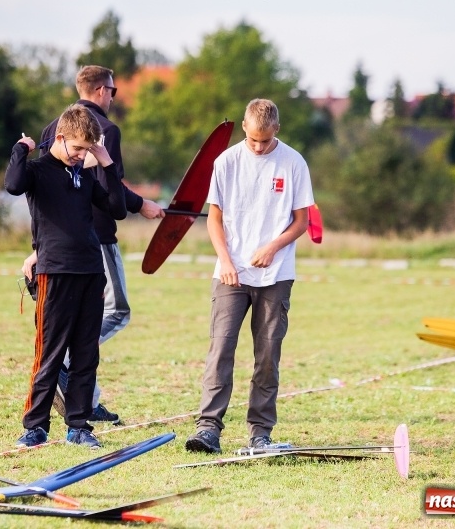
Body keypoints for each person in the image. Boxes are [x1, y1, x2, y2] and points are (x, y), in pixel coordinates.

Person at [22, 65, 163, 424]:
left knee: (88, 326)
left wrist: (38, 245)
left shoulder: (53, 127)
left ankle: (85, 403)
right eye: (113, 91)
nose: (114, 97)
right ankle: (66, 369)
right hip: (94, 240)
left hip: (56, 244)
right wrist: (140, 203)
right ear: (101, 91)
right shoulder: (105, 130)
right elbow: (107, 187)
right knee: (116, 313)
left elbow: (46, 199)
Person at [185, 99, 315, 454]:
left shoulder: (293, 163)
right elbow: (214, 218)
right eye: (254, 139)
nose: (258, 146)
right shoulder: (226, 162)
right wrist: (225, 260)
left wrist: (273, 247)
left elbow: (301, 222)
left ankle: (260, 431)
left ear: (277, 131)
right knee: (221, 348)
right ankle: (208, 428)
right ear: (244, 127)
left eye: (265, 140)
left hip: (276, 276)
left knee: (267, 354)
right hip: (230, 274)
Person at [6, 104, 126, 449]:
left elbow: (116, 209)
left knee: (86, 355)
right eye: (76, 149)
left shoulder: (85, 174)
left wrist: (105, 162)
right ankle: (35, 426)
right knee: (50, 353)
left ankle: (78, 426)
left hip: (90, 272)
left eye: (86, 150)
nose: (79, 156)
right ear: (60, 138)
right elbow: (13, 184)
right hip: (55, 274)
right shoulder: (39, 170)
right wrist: (21, 148)